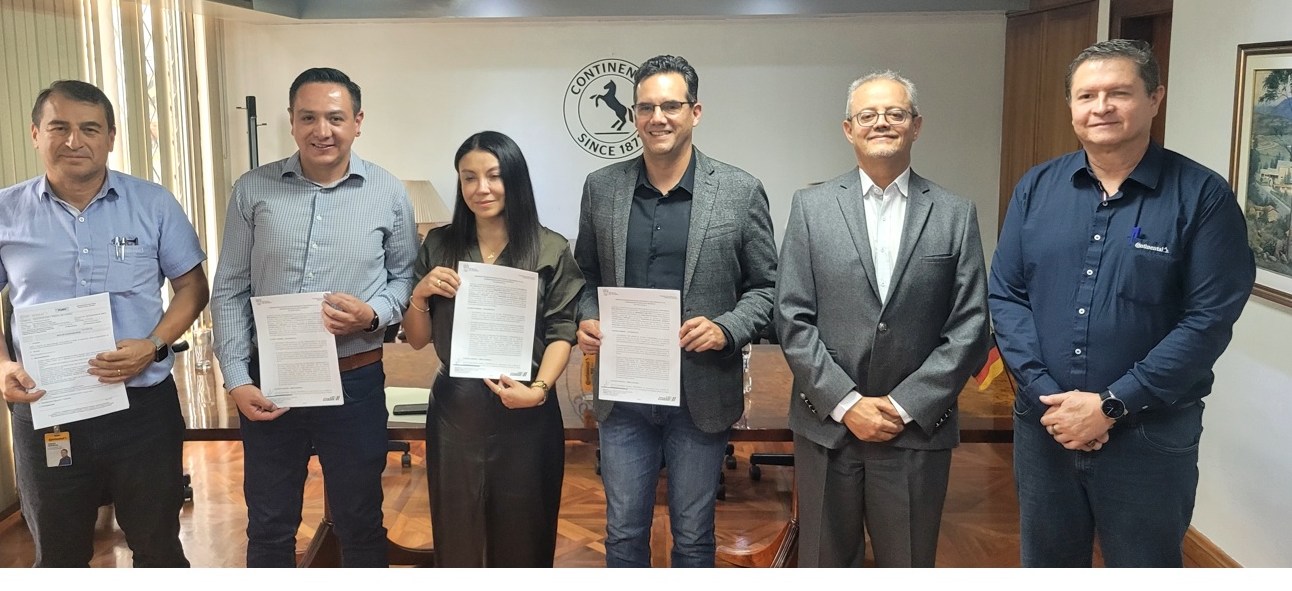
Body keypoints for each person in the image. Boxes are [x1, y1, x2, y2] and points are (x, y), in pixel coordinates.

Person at [989, 39, 1255, 567]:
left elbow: (1207, 321)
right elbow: (1008, 294)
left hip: (1148, 437)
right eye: (1087, 95)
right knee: (1046, 566)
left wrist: (1111, 405)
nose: (1101, 107)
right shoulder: (1036, 188)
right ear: (1071, 106)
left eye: (1119, 93)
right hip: (1045, 429)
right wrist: (1048, 397)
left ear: (1155, 98)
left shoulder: (1202, 197)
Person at [0, 79, 208, 567]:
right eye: (59, 128)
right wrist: (2, 364)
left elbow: (193, 288)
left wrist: (155, 343)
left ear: (110, 137)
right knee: (58, 554)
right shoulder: (2, 213)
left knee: (158, 547)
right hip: (48, 409)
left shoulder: (153, 204)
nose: (74, 141)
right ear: (35, 134)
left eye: (90, 128)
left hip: (141, 410)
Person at [775, 71, 990, 567]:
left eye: (895, 113)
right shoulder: (810, 208)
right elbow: (791, 316)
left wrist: (902, 406)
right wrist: (847, 403)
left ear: (916, 126)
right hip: (828, 426)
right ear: (848, 129)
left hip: (915, 430)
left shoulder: (955, 213)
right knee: (824, 565)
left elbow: (970, 325)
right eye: (868, 115)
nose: (881, 123)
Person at [574, 54, 777, 567]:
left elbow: (768, 289)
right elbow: (585, 278)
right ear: (633, 115)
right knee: (622, 534)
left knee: (692, 535)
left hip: (700, 395)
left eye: (670, 105)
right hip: (624, 395)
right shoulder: (601, 188)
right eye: (646, 107)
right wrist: (586, 317)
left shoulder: (739, 191)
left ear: (695, 112)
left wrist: (726, 328)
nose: (657, 117)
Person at [210, 67, 418, 567]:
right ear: (291, 120)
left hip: (354, 382)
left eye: (335, 118)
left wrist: (373, 314)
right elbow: (230, 288)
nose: (321, 130)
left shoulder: (388, 192)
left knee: (361, 523)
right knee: (269, 525)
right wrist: (236, 377)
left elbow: (405, 280)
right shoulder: (252, 189)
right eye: (308, 118)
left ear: (358, 122)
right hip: (270, 384)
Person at [401, 131, 585, 567]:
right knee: (457, 534)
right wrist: (420, 293)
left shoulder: (550, 247)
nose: (481, 188)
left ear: (515, 180)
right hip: (457, 411)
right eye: (469, 178)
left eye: (494, 176)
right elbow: (417, 338)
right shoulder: (439, 245)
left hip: (527, 408)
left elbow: (562, 332)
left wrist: (539, 390)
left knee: (526, 531)